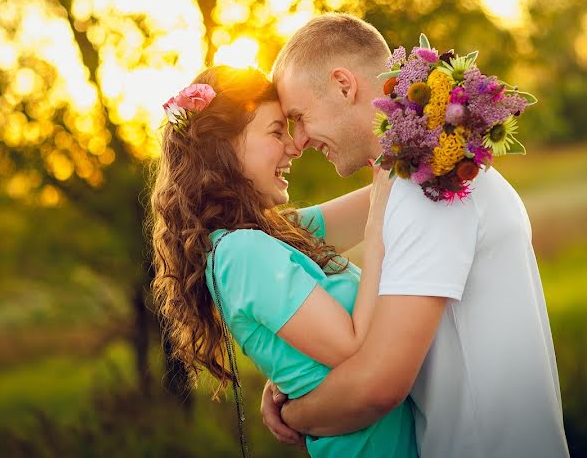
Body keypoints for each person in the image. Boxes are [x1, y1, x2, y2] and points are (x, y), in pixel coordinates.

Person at [260, 13, 570, 457]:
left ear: (344, 86)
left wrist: (292, 413)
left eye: (299, 117)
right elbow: (298, 235)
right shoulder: (412, 178)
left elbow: (377, 386)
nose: (301, 140)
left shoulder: (429, 188)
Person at [150, 65, 417, 457]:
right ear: (222, 147)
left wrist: (421, 121)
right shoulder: (241, 253)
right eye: (277, 132)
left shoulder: (274, 235)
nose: (294, 146)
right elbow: (358, 351)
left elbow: (387, 190)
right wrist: (377, 235)